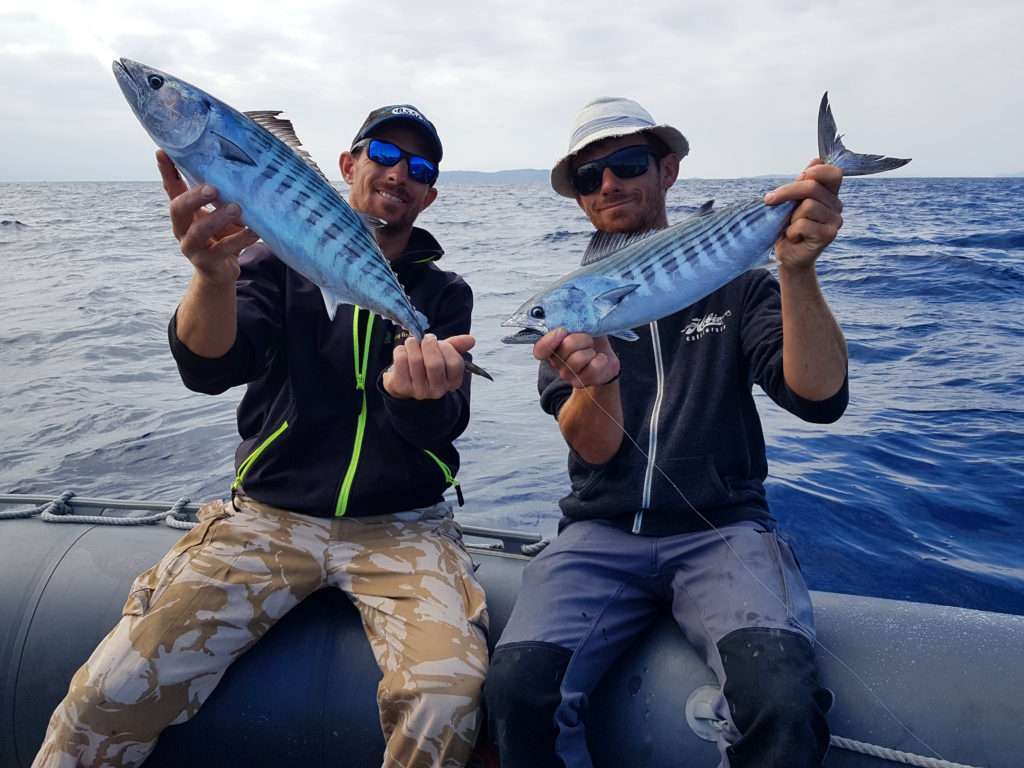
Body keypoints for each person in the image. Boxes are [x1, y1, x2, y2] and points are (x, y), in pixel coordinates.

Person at [33, 105, 488, 768]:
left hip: (406, 527)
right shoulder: (272, 262)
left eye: (420, 168)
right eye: (384, 154)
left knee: (446, 700)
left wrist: (408, 396)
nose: (400, 173)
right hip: (268, 519)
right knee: (110, 688)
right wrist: (212, 277)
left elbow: (447, 425)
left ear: (430, 195)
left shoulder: (442, 293)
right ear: (347, 165)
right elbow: (212, 366)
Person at [485, 96, 847, 767]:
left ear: (668, 171)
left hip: (724, 529)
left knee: (780, 697)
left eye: (627, 164)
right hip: (599, 533)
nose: (608, 184)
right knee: (517, 689)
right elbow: (595, 449)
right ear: (579, 197)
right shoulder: (569, 316)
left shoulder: (739, 288)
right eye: (589, 176)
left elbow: (818, 399)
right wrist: (597, 381)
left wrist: (797, 271)